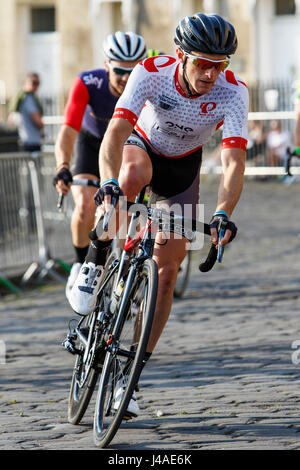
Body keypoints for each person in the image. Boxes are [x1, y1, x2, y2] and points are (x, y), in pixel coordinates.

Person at [69, 13, 249, 417]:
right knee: (130, 176)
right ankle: (96, 264)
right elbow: (114, 134)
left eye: (219, 65)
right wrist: (108, 183)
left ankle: (127, 378)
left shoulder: (233, 92)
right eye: (202, 62)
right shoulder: (151, 72)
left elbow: (234, 161)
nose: (210, 74)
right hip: (141, 145)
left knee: (166, 273)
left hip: (183, 167)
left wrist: (223, 211)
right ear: (181, 55)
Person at [53, 31, 147, 301]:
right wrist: (63, 165)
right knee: (84, 204)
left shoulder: (148, 84)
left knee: (127, 209)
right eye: (120, 71)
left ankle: (126, 267)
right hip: (92, 142)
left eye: (133, 71)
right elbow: (69, 130)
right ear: (107, 65)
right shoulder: (88, 82)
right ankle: (81, 265)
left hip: (129, 145)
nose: (127, 78)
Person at [8, 72, 44, 151]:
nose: (36, 86)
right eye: (34, 83)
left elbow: (11, 121)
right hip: (32, 140)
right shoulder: (28, 99)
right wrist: (41, 125)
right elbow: (38, 121)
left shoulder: (19, 98)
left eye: (38, 83)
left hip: (23, 139)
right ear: (26, 82)